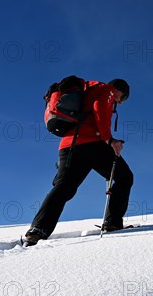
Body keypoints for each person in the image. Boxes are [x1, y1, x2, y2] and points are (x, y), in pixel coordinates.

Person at [24, 78, 133, 246]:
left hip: (69, 146)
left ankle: (38, 230)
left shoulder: (89, 90)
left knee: (63, 187)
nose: (121, 102)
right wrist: (109, 139)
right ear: (119, 90)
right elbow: (100, 108)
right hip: (92, 143)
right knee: (125, 177)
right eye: (123, 97)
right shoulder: (107, 90)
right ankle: (112, 223)